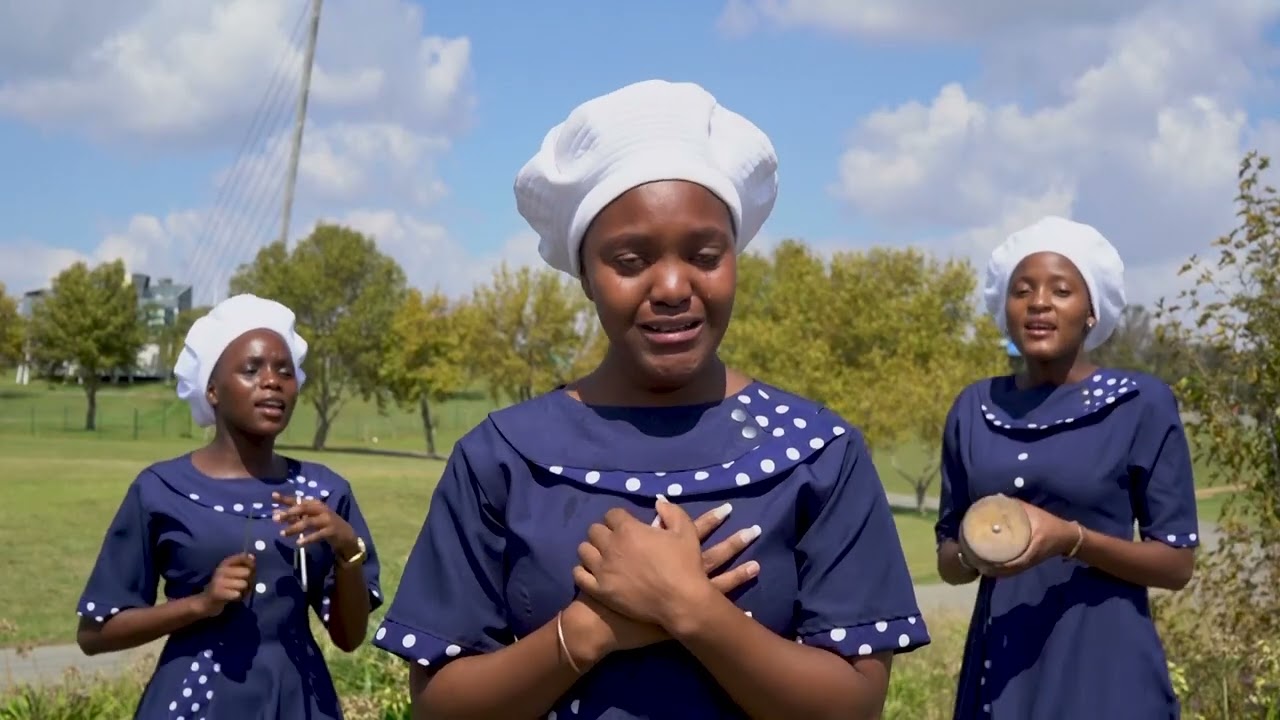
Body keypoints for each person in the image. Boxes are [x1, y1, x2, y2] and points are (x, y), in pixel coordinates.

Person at [371, 79, 929, 720]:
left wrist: (691, 609)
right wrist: (589, 631)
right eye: (631, 259)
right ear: (585, 274)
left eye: (705, 254)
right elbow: (438, 705)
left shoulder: (817, 454)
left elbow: (853, 707)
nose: (671, 286)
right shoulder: (501, 458)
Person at [934, 216, 1199, 719]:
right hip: (1003, 667)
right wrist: (977, 550)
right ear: (1005, 309)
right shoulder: (974, 407)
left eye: (1061, 291)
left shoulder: (1140, 404)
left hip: (1107, 670)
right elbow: (948, 557)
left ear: (1091, 312)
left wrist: (1071, 539)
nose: (1039, 303)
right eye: (1023, 290)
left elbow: (1177, 565)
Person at [75, 293, 383, 719]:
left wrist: (348, 550)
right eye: (251, 369)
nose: (272, 381)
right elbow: (95, 634)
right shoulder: (160, 489)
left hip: (300, 703)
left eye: (284, 370)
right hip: (193, 704)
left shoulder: (326, 492)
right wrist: (200, 604)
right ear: (213, 390)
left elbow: (348, 638)